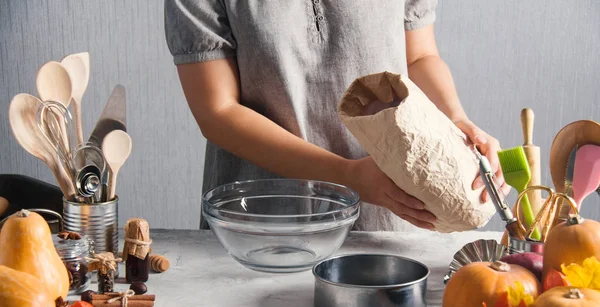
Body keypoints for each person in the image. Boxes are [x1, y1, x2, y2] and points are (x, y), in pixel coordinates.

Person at [164, 0, 509, 231]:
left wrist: (457, 120)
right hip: (260, 222)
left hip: (389, 212)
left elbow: (418, 57)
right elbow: (217, 112)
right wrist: (349, 176)